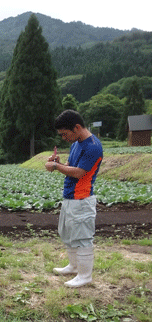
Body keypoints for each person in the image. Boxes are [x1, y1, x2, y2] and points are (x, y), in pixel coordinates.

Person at [45, 109, 103, 288]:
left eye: (64, 134)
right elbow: (71, 166)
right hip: (70, 197)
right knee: (68, 234)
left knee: (82, 238)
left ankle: (85, 276)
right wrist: (60, 162)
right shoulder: (76, 144)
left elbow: (79, 173)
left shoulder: (92, 146)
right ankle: (73, 267)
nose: (63, 138)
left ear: (77, 127)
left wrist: (55, 166)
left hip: (82, 199)